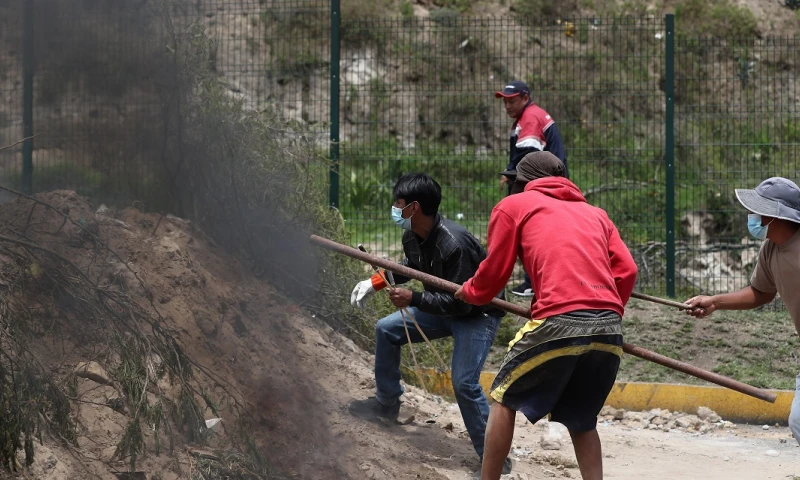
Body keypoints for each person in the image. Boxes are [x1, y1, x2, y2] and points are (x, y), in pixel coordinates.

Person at [454, 151, 638, 480]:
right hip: (609, 326)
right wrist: (602, 309)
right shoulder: (596, 214)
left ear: (524, 183)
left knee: (503, 398)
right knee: (582, 419)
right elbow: (626, 270)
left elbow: (495, 273)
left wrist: (470, 292)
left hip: (559, 320)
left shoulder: (514, 206)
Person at [348, 173, 511, 473]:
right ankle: (386, 404)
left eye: (398, 203)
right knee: (386, 329)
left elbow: (464, 302)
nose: (394, 208)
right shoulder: (412, 235)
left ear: (414, 207)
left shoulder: (455, 244)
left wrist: (414, 299)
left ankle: (495, 460)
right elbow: (412, 267)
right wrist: (376, 282)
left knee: (464, 383)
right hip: (443, 307)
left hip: (477, 314)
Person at [685, 176, 800, 444]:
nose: (752, 216)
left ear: (776, 215)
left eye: (757, 210)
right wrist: (715, 301)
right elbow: (761, 292)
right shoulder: (770, 250)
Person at [495, 80, 568, 296]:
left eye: (512, 101)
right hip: (550, 181)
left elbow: (528, 155)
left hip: (543, 183)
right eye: (505, 102)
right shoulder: (528, 116)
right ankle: (537, 281)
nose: (507, 106)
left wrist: (511, 173)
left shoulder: (530, 117)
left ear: (525, 98)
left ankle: (533, 283)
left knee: (530, 230)